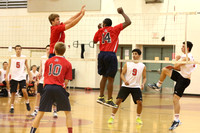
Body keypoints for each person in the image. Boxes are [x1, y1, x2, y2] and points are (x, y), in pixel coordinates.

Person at [148, 41, 195, 130]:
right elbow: (179, 68)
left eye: (183, 46)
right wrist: (173, 67)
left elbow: (177, 64)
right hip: (181, 77)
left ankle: (176, 120)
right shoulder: (185, 56)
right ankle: (158, 85)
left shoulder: (187, 57)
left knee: (175, 99)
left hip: (184, 80)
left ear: (187, 48)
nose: (181, 48)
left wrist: (176, 59)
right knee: (165, 69)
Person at [93, 7, 131, 108]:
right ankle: (109, 100)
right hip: (110, 55)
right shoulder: (114, 29)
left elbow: (94, 41)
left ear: (104, 24)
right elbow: (128, 22)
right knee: (111, 79)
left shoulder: (100, 31)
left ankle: (101, 96)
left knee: (104, 77)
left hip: (101, 55)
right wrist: (122, 12)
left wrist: (100, 30)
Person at [30, 42, 73, 133]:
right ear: (64, 51)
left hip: (48, 87)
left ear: (55, 51)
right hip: (59, 87)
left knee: (40, 112)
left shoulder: (48, 61)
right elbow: (66, 80)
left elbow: (45, 77)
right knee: (68, 113)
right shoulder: (68, 63)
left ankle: (32, 131)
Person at [107, 49, 146, 124]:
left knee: (140, 102)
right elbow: (122, 74)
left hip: (136, 87)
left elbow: (144, 77)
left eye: (136, 54)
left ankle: (138, 118)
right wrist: (125, 80)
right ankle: (112, 117)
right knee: (118, 101)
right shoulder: (127, 64)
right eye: (133, 54)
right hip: (126, 86)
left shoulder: (143, 66)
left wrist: (143, 83)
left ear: (139, 55)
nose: (134, 55)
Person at [31, 45, 58, 118]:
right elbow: (41, 67)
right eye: (47, 49)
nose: (48, 50)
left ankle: (55, 111)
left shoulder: (54, 58)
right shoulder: (43, 58)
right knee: (38, 95)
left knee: (53, 96)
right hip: (43, 80)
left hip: (51, 80)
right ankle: (36, 110)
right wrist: (39, 73)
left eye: (50, 49)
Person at [5, 45, 32, 113]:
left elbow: (28, 67)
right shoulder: (12, 57)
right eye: (17, 49)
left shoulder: (24, 57)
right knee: (13, 93)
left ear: (21, 50)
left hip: (22, 76)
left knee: (24, 90)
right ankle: (12, 107)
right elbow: (8, 67)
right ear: (15, 50)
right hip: (14, 76)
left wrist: (30, 75)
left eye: (19, 49)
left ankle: (27, 103)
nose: (18, 50)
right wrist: (6, 76)